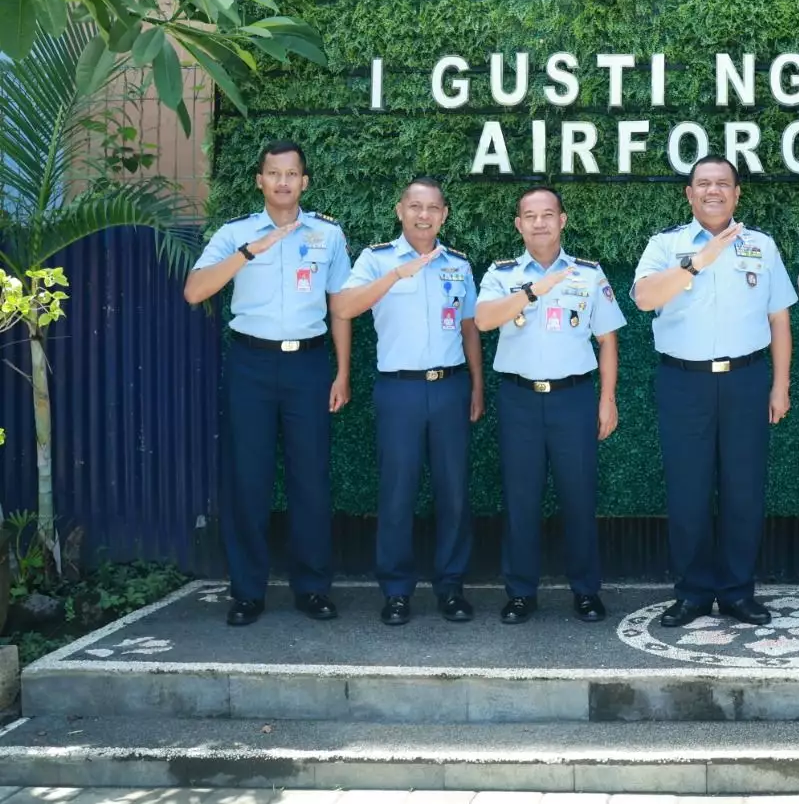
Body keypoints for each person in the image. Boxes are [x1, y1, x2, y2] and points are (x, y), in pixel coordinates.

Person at [184, 141, 351, 627]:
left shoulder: (327, 235)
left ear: (305, 182)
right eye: (273, 173)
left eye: (292, 174)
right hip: (251, 365)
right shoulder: (236, 233)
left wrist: (342, 371)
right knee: (248, 480)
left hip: (309, 366)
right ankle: (247, 592)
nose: (282, 182)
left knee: (311, 481)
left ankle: (313, 588)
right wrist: (247, 252)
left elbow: (340, 306)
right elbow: (195, 290)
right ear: (259, 180)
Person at [631, 155, 797, 629]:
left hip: (746, 380)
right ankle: (693, 593)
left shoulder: (760, 246)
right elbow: (644, 298)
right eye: (703, 184)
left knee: (744, 490)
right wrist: (698, 262)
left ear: (737, 193)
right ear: (689, 193)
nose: (713, 191)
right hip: (684, 381)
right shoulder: (666, 245)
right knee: (688, 491)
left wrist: (780, 385)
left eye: (723, 184)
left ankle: (738, 592)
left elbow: (779, 318)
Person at [331, 177, 484, 626]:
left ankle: (451, 587)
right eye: (415, 206)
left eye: (432, 208)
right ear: (400, 211)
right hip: (398, 389)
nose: (423, 215)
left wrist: (476, 385)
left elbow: (470, 327)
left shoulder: (458, 265)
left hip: (450, 387)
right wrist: (396, 274)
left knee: (453, 492)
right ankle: (396, 591)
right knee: (397, 492)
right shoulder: (376, 259)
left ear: (444, 215)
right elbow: (344, 307)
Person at [475, 187, 623, 624]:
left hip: (573, 399)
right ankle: (521, 592)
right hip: (519, 398)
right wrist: (533, 290)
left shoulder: (588, 274)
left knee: (579, 498)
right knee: (521, 500)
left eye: (547, 214)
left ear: (562, 220)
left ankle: (586, 592)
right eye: (529, 216)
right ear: (518, 224)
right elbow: (484, 319)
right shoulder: (501, 274)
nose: (539, 222)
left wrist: (607, 399)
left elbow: (607, 340)